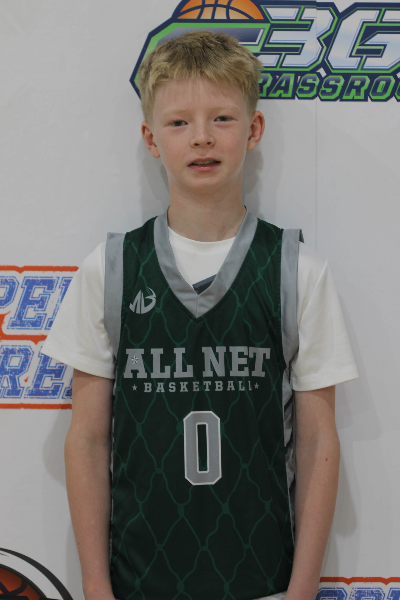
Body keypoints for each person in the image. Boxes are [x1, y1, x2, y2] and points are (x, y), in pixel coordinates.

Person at [41, 30, 358, 600]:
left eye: (223, 118)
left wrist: (302, 590)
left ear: (253, 130)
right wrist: (95, 585)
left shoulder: (296, 269)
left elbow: (317, 442)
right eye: (179, 122)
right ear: (151, 138)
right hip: (138, 584)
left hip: (262, 580)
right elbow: (86, 439)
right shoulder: (111, 268)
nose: (202, 137)